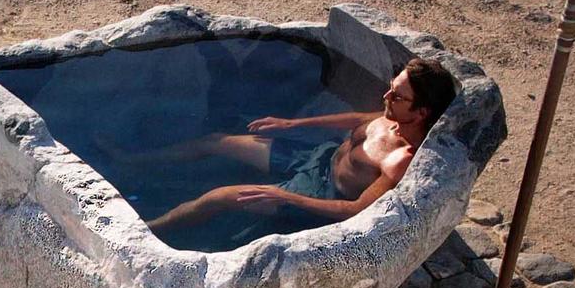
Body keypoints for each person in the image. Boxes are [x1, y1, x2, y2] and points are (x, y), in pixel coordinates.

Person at [146, 57, 457, 235]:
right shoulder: (394, 114)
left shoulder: (400, 159)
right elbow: (358, 118)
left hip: (316, 193)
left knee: (216, 199)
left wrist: (287, 197)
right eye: (390, 89)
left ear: (422, 113)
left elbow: (354, 211)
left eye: (397, 96)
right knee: (216, 141)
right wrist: (291, 125)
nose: (386, 98)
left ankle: (152, 229)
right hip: (316, 159)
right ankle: (135, 162)